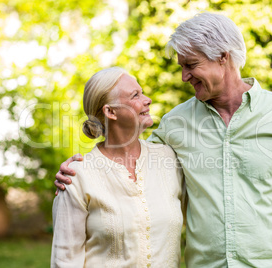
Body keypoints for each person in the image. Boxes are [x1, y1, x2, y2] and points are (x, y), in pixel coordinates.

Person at [55, 12, 272, 267]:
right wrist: (77, 170)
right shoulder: (176, 123)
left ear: (223, 57)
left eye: (192, 65)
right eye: (182, 66)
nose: (185, 76)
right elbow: (128, 156)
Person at [51, 67, 184, 267]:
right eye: (135, 95)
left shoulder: (168, 159)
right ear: (110, 111)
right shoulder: (77, 176)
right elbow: (65, 260)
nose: (147, 99)